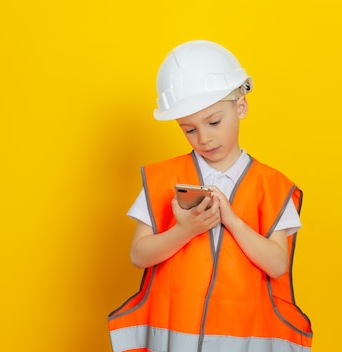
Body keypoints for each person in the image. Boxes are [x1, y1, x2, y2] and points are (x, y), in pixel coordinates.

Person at [108, 40, 313, 352]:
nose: (203, 138)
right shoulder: (162, 179)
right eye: (189, 129)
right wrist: (186, 230)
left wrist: (231, 220)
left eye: (214, 122)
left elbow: (276, 264)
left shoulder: (272, 185)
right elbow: (139, 255)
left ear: (240, 107)